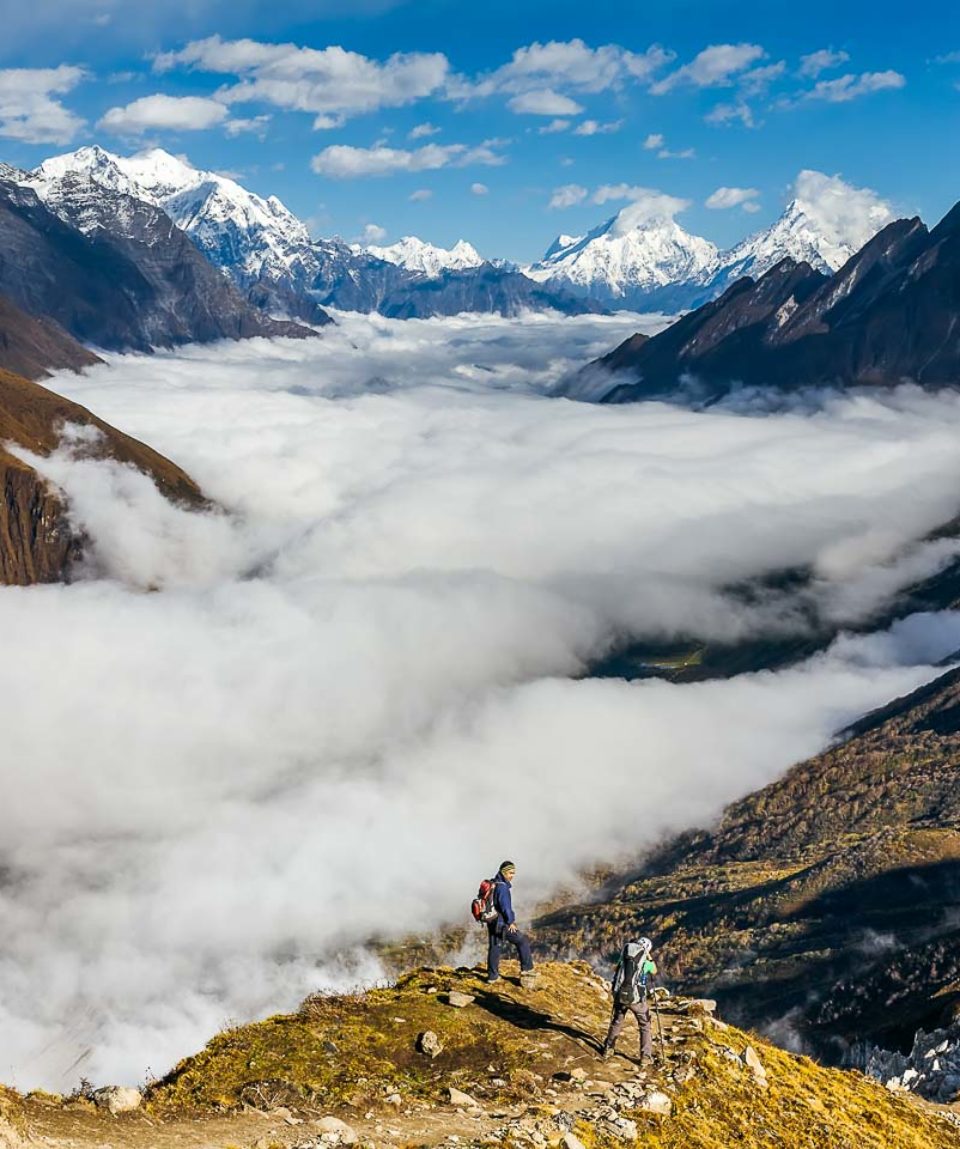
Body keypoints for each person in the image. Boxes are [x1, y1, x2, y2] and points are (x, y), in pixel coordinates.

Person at [600, 937, 659, 1063]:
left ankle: (608, 1049)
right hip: (636, 998)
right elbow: (654, 970)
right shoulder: (645, 960)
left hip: (620, 994)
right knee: (645, 1025)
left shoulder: (626, 954)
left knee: (617, 1021)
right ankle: (645, 1056)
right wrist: (649, 957)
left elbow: (615, 969)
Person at [486, 860, 537, 988]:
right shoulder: (502, 887)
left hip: (491, 921)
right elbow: (506, 908)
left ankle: (492, 977)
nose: (512, 876)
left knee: (494, 947)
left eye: (513, 873)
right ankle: (528, 970)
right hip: (501, 923)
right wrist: (510, 922)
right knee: (522, 941)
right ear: (503, 872)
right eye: (510, 873)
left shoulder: (493, 883)